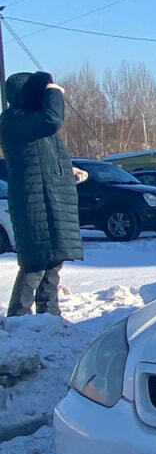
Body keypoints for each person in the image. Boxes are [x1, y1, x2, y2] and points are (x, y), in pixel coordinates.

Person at [1, 71, 83, 316]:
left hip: (52, 199)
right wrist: (54, 91)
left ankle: (49, 316)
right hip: (33, 200)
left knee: (53, 260)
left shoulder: (31, 122)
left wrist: (67, 171)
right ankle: (19, 317)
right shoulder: (13, 119)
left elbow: (41, 158)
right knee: (35, 261)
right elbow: (52, 119)